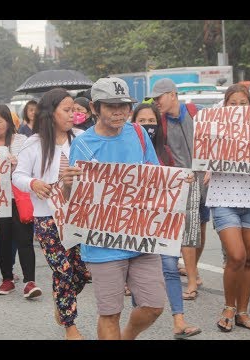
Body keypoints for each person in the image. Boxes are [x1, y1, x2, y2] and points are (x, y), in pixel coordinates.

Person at [63, 77, 166, 340]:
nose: (119, 111)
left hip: (141, 236)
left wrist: (177, 183)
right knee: (110, 313)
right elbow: (73, 199)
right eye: (111, 106)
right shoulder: (83, 144)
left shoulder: (140, 134)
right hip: (102, 243)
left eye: (124, 105)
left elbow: (155, 177)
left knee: (154, 306)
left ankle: (127, 334)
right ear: (95, 108)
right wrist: (67, 185)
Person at [12, 88, 89, 340]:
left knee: (80, 273)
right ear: (50, 113)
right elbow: (18, 175)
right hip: (47, 219)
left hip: (79, 217)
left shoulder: (82, 138)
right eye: (67, 110)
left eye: (75, 110)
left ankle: (62, 301)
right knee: (63, 270)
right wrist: (33, 183)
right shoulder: (33, 144)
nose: (72, 115)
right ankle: (70, 325)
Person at [130, 102, 201, 339]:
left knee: (170, 267)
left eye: (152, 122)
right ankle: (135, 325)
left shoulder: (166, 151)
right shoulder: (127, 148)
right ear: (134, 123)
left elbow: (174, 180)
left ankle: (179, 321)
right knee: (138, 273)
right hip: (134, 222)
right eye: (143, 121)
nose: (148, 126)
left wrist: (184, 181)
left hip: (161, 221)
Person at [204, 84, 250, 331]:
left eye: (243, 103)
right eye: (233, 103)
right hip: (223, 197)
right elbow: (202, 149)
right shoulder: (214, 125)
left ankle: (242, 312)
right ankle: (228, 307)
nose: (238, 108)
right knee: (236, 255)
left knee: (249, 259)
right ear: (224, 105)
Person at [150, 78, 210, 300]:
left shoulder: (198, 112)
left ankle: (194, 270)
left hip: (206, 180)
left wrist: (213, 166)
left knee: (201, 228)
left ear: (172, 95)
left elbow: (217, 140)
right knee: (188, 230)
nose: (157, 102)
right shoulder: (160, 123)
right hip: (184, 182)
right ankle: (192, 281)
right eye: (154, 99)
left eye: (160, 97)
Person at [0, 104, 42, 299]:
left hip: (20, 199)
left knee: (24, 240)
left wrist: (16, 162)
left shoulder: (22, 140)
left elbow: (32, 165)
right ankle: (7, 278)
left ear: (9, 123)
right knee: (2, 240)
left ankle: (29, 281)